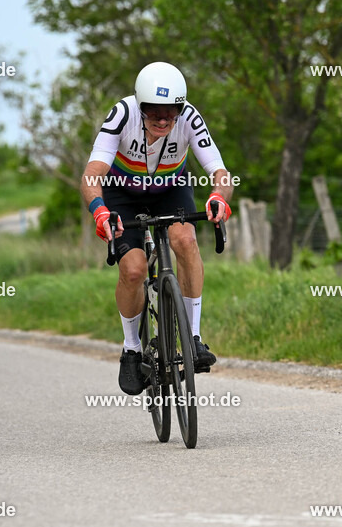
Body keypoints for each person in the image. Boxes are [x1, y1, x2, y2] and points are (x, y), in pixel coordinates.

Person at [80, 61, 233, 395]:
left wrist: (219, 197)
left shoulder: (189, 117)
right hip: (123, 193)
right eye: (154, 112)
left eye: (171, 112)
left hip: (170, 188)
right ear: (140, 105)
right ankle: (131, 349)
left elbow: (220, 172)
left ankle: (193, 338)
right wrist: (100, 211)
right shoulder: (122, 115)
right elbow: (92, 175)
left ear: (180, 107)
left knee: (185, 239)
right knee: (134, 270)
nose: (163, 120)